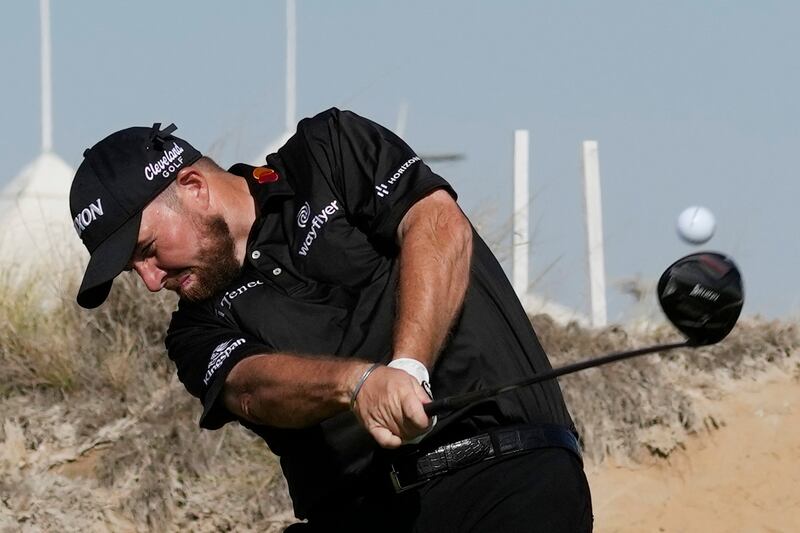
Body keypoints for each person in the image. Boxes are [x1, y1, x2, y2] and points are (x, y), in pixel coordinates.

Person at [69, 109, 592, 531]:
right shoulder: (192, 330)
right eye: (131, 270)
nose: (150, 280)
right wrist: (358, 385)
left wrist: (407, 369)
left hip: (508, 476)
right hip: (360, 515)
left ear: (193, 187)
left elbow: (435, 223)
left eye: (147, 250)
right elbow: (251, 387)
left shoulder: (327, 152)